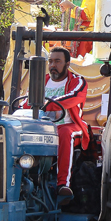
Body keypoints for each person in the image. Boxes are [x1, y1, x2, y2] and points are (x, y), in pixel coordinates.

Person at [38, 48, 90, 199]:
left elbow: (73, 98)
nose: (53, 65)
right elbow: (29, 100)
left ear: (67, 64)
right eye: (51, 61)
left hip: (70, 124)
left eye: (57, 61)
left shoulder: (77, 81)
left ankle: (63, 184)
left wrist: (45, 105)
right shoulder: (42, 81)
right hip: (43, 126)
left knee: (64, 133)